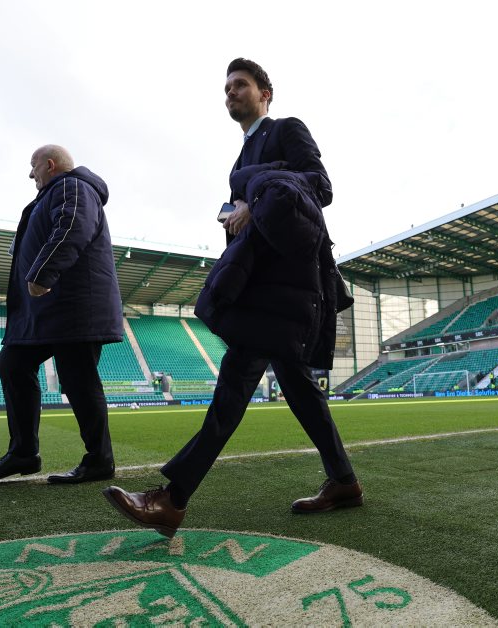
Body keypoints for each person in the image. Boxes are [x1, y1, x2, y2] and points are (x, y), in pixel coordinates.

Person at [103, 58, 360, 537]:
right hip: (266, 289)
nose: (231, 93)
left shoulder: (286, 129)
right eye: (226, 88)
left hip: (287, 287)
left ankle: (173, 499)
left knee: (233, 388)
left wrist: (252, 202)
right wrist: (240, 210)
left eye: (240, 85)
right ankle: (344, 481)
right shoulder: (239, 161)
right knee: (300, 391)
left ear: (266, 94)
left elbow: (321, 187)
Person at [0, 145, 123, 484]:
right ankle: (24, 453)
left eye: (33, 165)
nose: (30, 173)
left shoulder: (73, 186)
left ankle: (99, 460)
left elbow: (73, 226)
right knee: (13, 362)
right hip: (47, 308)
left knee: (77, 377)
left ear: (50, 164)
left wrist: (42, 272)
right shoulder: (50, 195)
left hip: (75, 305)